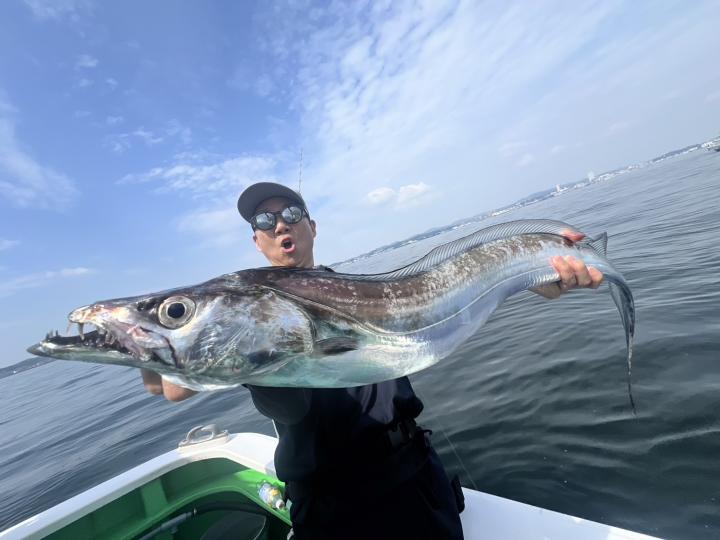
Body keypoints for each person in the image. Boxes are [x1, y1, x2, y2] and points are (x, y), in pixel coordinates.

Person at [141, 182, 603, 539]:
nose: (280, 225)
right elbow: (175, 387)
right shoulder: (246, 316)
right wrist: (149, 345)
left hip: (413, 474)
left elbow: (462, 292)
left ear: (312, 227)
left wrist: (543, 273)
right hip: (329, 501)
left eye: (292, 214)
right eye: (265, 220)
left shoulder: (364, 292)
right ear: (257, 242)